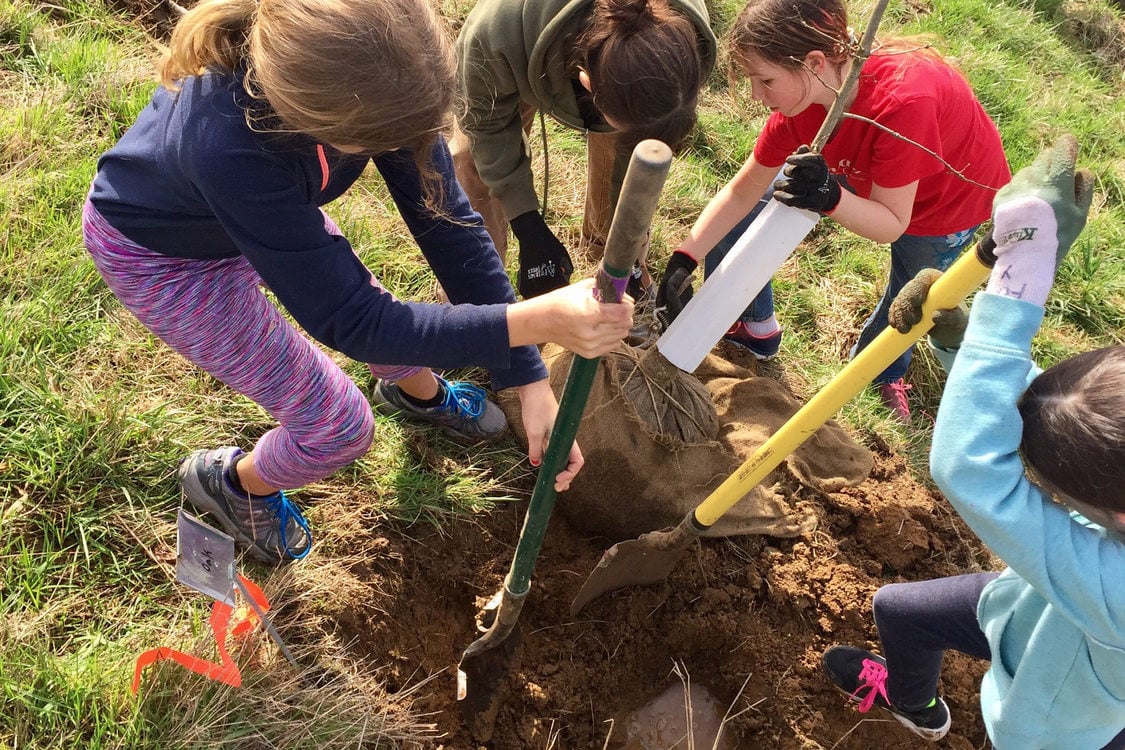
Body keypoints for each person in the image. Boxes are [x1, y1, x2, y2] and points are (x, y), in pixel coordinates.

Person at [82, 0, 635, 565]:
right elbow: (355, 323)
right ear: (318, 120)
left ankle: (414, 394)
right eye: (381, 142)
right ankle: (236, 485)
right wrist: (539, 322)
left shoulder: (380, 70)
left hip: (261, 214)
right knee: (338, 426)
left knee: (384, 312)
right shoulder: (227, 142)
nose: (406, 145)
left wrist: (528, 375)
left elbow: (447, 225)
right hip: (165, 259)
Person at [821, 136, 1125, 748]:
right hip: (1028, 610)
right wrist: (966, 343)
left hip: (1047, 724)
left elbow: (971, 467)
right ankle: (919, 706)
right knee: (899, 611)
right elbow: (1056, 420)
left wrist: (1017, 282)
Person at [654, 0, 1010, 421]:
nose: (755, 95)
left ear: (815, 63)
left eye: (764, 80)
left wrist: (831, 197)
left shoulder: (903, 105)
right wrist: (685, 256)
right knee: (768, 198)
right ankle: (754, 325)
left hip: (945, 201)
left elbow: (892, 224)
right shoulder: (801, 106)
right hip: (855, 169)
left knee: (912, 296)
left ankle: (878, 373)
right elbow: (742, 190)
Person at [453, 0, 717, 300]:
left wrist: (625, 254)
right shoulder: (495, 33)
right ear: (588, 84)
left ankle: (610, 253)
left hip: (607, 80)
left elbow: (645, 141)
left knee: (627, 137)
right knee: (470, 161)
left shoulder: (690, 37)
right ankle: (481, 287)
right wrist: (529, 229)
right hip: (521, 51)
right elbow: (488, 128)